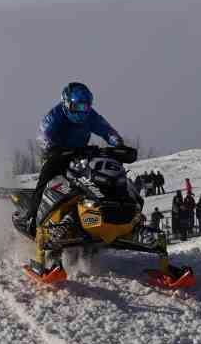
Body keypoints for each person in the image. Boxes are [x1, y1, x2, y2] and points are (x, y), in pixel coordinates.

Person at [16, 82, 125, 239]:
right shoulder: (55, 115)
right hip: (57, 156)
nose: (82, 111)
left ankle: (103, 221)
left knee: (98, 180)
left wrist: (118, 143)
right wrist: (51, 148)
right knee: (46, 178)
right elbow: (43, 136)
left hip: (81, 155)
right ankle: (32, 220)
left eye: (86, 107)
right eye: (78, 107)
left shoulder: (91, 116)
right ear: (67, 103)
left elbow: (106, 130)